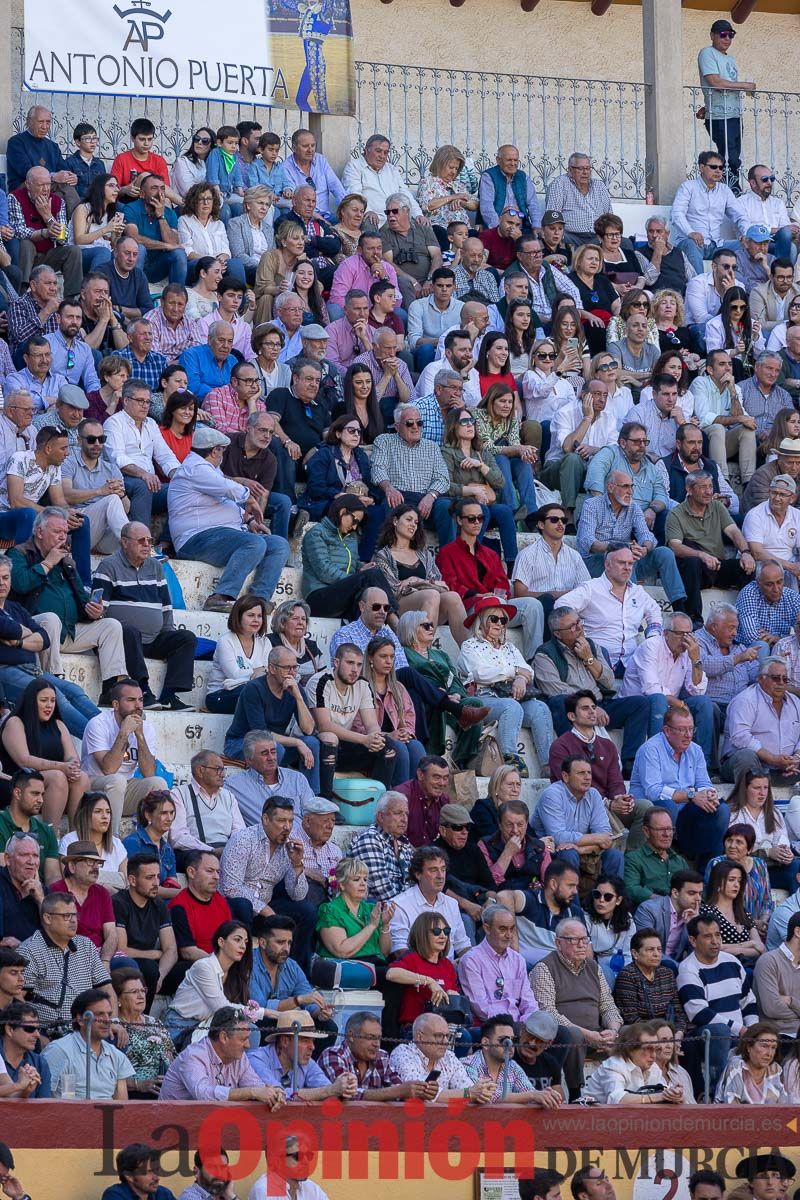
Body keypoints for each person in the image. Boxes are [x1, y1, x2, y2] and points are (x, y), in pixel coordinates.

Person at [169, 425, 289, 614]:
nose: (223, 454)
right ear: (216, 450)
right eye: (222, 450)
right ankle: (221, 597)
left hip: (223, 535)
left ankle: (258, 599)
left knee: (279, 544)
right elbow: (228, 488)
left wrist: (249, 521)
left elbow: (225, 503)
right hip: (195, 539)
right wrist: (249, 498)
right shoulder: (195, 467)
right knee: (254, 544)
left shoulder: (210, 469)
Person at [533, 605, 655, 772]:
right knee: (560, 702)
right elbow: (557, 690)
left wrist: (589, 658)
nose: (579, 628)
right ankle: (575, 762)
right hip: (571, 709)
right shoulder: (544, 654)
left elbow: (609, 682)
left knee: (640, 703)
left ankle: (630, 764)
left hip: (600, 704)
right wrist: (589, 707)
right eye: (572, 627)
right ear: (557, 634)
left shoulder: (591, 645)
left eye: (579, 622)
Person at [92, 521, 196, 711]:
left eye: (150, 540)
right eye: (141, 541)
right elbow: (99, 610)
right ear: (124, 542)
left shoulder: (155, 566)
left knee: (185, 638)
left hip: (153, 639)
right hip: (124, 641)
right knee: (129, 631)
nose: (147, 545)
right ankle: (143, 690)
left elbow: (165, 606)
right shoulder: (109, 566)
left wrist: (167, 632)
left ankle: (169, 695)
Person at [0, 552, 98, 739]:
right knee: (55, 697)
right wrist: (28, 634)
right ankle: (99, 742)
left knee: (74, 691)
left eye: (5, 578)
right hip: (5, 671)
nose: (2, 583)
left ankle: (111, 732)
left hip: (30, 669)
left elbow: (44, 638)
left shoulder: (15, 608)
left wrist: (20, 641)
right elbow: (9, 629)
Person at [456, 594, 554, 776]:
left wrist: (521, 678)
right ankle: (510, 761)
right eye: (494, 619)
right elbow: (480, 673)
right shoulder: (470, 646)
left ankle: (547, 766)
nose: (499, 624)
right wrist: (515, 672)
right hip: (482, 698)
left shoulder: (509, 647)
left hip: (510, 696)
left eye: (503, 620)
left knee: (540, 708)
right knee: (511, 707)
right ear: (481, 620)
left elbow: (528, 671)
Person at [530, 916, 623, 1100]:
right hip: (565, 1038)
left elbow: (607, 1005)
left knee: (633, 1033)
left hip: (598, 1034)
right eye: (574, 940)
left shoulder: (593, 966)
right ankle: (575, 1093)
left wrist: (612, 1031)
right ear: (558, 943)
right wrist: (588, 1035)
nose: (582, 945)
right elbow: (548, 1013)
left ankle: (634, 1090)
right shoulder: (544, 968)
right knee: (573, 1035)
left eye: (584, 939)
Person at [219, 797, 315, 970]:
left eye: (291, 821)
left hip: (265, 911)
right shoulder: (243, 840)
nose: (287, 827)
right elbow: (230, 888)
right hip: (234, 909)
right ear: (265, 819)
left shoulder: (289, 848)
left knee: (306, 911)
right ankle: (242, 970)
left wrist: (297, 864)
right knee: (242, 904)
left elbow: (297, 895)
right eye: (281, 820)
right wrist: (265, 909)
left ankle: (298, 973)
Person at [549, 690, 650, 848]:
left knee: (645, 808)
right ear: (571, 716)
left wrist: (619, 798)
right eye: (584, 708)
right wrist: (607, 803)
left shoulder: (607, 745)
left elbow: (615, 780)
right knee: (601, 812)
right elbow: (569, 785)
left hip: (608, 804)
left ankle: (631, 860)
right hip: (578, 806)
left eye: (593, 707)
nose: (591, 711)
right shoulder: (560, 746)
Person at [577, 472, 688, 613]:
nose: (630, 491)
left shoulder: (633, 507)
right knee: (626, 557)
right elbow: (588, 542)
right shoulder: (592, 505)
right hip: (595, 562)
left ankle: (679, 608)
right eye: (625, 487)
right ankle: (632, 612)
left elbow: (646, 535)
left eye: (631, 487)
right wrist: (620, 548)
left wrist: (644, 549)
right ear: (610, 487)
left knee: (664, 553)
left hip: (623, 561)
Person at [630, 709, 730, 864]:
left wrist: (708, 795)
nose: (689, 735)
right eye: (682, 730)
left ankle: (707, 869)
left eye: (691, 729)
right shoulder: (650, 749)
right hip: (655, 808)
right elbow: (653, 791)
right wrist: (691, 796)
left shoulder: (695, 750)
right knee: (668, 807)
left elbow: (704, 783)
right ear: (667, 731)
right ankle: (683, 855)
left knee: (721, 810)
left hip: (686, 809)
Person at [677, 913, 759, 1095]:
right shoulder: (688, 969)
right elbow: (698, 1013)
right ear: (692, 940)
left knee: (768, 1034)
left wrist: (754, 1028)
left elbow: (748, 1001)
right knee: (720, 1031)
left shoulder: (732, 962)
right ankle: (716, 1092)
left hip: (741, 1033)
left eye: (717, 935)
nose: (715, 941)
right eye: (707, 936)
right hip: (708, 1035)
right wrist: (740, 1030)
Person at [617, 614, 716, 762]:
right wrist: (680, 705)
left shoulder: (688, 652)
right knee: (658, 700)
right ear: (665, 633)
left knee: (705, 703)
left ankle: (703, 764)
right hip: (640, 706)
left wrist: (695, 659)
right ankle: (658, 761)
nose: (685, 639)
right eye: (680, 634)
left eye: (688, 634)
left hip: (669, 705)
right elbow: (651, 689)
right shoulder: (651, 646)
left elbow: (697, 690)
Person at [223, 645, 323, 792]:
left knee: (311, 742)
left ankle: (311, 798)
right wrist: (296, 742)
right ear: (271, 668)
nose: (292, 673)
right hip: (240, 743)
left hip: (275, 744)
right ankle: (275, 793)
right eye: (287, 668)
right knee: (275, 748)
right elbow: (261, 734)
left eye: (295, 667)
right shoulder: (254, 688)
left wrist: (298, 697)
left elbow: (308, 729)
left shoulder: (295, 689)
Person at [306, 641, 399, 793]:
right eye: (350, 663)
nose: (355, 670)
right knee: (330, 738)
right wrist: (364, 739)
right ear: (336, 662)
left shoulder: (362, 684)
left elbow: (371, 724)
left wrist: (375, 737)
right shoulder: (321, 681)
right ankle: (326, 803)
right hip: (316, 745)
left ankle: (378, 801)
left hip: (345, 743)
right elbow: (324, 725)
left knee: (387, 746)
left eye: (359, 664)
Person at [559, 544, 663, 676]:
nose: (627, 568)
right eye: (621, 563)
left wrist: (653, 638)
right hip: (598, 661)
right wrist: (578, 632)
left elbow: (655, 612)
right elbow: (561, 605)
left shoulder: (638, 592)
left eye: (630, 563)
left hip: (631, 663)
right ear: (607, 565)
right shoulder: (591, 588)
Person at [666, 472, 756, 625]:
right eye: (703, 487)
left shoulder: (716, 507)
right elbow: (675, 546)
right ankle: (694, 619)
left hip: (716, 565)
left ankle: (747, 619)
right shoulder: (676, 514)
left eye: (710, 487)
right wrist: (701, 555)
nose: (709, 492)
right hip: (694, 572)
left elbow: (733, 531)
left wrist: (746, 553)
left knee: (746, 567)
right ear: (689, 489)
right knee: (691, 562)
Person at [0, 677, 89, 828]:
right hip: (17, 779)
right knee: (58, 777)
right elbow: (24, 760)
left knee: (82, 777)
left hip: (50, 779)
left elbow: (71, 755)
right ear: (31, 701)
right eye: (43, 700)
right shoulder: (15, 722)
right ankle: (51, 836)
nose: (49, 705)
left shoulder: (59, 724)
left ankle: (76, 837)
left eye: (53, 700)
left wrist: (72, 766)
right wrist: (61, 766)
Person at [18, 891, 116, 1027]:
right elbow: (17, 998)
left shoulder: (86, 945)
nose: (73, 920)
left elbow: (106, 988)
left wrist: (115, 1022)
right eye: (66, 916)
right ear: (47, 918)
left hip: (87, 1029)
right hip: (48, 1031)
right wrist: (35, 1033)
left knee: (118, 1041)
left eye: (75, 915)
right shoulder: (29, 950)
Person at [78, 678, 161, 833]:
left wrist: (140, 736)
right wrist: (123, 733)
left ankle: (154, 842)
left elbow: (149, 772)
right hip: (94, 787)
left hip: (124, 789)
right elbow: (108, 769)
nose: (138, 706)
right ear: (115, 705)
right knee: (117, 780)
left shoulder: (147, 728)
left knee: (158, 783)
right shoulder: (98, 724)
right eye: (131, 700)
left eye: (140, 700)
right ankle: (112, 839)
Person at [159, 1005, 285, 1104]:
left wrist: (272, 1093)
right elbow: (203, 1094)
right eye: (243, 1039)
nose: (248, 1045)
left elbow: (255, 1085)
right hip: (170, 1129)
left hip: (204, 1126)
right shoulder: (193, 1056)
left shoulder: (239, 1057)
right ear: (224, 1037)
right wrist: (251, 1092)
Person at [534, 755, 625, 879]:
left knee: (615, 855)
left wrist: (580, 848)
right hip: (549, 852)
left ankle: (611, 897)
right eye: (581, 773)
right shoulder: (552, 795)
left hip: (582, 850)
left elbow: (606, 836)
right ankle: (570, 898)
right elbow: (558, 837)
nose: (587, 777)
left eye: (589, 773)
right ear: (565, 777)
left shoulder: (593, 794)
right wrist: (595, 839)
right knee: (568, 853)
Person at [111, 853, 180, 1006]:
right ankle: (142, 1024)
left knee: (189, 969)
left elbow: (171, 949)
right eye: (149, 878)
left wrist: (160, 976)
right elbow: (121, 950)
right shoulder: (119, 903)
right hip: (124, 965)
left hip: (153, 970)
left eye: (157, 876)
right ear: (132, 880)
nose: (156, 883)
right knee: (149, 969)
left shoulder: (159, 905)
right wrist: (154, 954)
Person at [42, 987, 133, 1099]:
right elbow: (66, 1101)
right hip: (73, 1114)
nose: (106, 1020)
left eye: (109, 1014)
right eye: (99, 1014)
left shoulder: (116, 1056)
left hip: (108, 1115)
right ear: (80, 1019)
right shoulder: (62, 1051)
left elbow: (122, 1104)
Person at [721, 656, 800, 782]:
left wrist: (796, 758)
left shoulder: (795, 702)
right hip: (750, 764)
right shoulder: (745, 700)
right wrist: (772, 758)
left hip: (786, 768)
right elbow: (740, 737)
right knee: (746, 757)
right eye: (776, 678)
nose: (781, 683)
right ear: (761, 679)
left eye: (785, 679)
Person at [697, 19, 754, 192]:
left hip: (733, 114)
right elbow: (715, 82)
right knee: (729, 156)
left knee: (734, 156)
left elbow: (725, 84)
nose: (727, 38)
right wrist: (744, 85)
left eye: (731, 35)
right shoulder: (707, 53)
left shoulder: (730, 58)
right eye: (723, 34)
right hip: (720, 116)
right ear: (712, 35)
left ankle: (730, 187)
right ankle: (731, 189)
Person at [457, 902, 538, 1022]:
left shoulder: (518, 960)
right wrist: (514, 1023)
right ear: (487, 928)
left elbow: (528, 1000)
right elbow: (481, 1008)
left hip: (520, 1024)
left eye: (512, 929)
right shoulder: (471, 960)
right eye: (503, 929)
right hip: (492, 1026)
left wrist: (532, 1021)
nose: (509, 935)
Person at [8, 167, 83, 296]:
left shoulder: (58, 202)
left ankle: (72, 298)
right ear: (28, 184)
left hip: (48, 255)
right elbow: (18, 231)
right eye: (41, 185)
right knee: (26, 243)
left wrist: (48, 217)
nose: (46, 189)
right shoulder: (15, 198)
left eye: (48, 184)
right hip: (25, 256)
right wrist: (44, 233)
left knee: (74, 251)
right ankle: (22, 293)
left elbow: (63, 238)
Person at [315, 856, 393, 981]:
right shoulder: (330, 910)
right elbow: (341, 951)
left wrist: (385, 925)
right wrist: (371, 926)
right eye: (356, 879)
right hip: (348, 967)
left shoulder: (370, 909)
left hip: (377, 965)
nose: (363, 883)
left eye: (365, 879)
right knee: (394, 978)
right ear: (342, 885)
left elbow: (384, 952)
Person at [60, 417, 129, 553]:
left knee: (132, 526)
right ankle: (135, 544)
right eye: (91, 440)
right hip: (77, 529)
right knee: (111, 500)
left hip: (103, 537)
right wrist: (100, 491)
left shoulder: (112, 469)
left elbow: (125, 509)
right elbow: (66, 495)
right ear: (80, 441)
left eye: (101, 439)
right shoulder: (68, 463)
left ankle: (138, 545)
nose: (97, 444)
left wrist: (122, 495)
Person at [225, 731, 315, 828]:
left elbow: (312, 814)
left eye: (273, 752)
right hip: (263, 842)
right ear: (249, 760)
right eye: (264, 753)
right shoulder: (234, 785)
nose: (271, 758)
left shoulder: (297, 779)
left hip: (300, 840)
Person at [122, 173, 187, 286]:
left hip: (157, 266)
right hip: (133, 261)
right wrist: (165, 246)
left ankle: (177, 294)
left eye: (162, 188)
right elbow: (134, 239)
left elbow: (173, 243)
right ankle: (132, 291)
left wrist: (161, 216)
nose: (159, 193)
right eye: (154, 188)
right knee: (139, 249)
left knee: (179, 253)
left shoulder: (169, 213)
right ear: (142, 194)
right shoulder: (131, 208)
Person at [614, 929, 686, 1028]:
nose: (656, 954)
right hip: (641, 1034)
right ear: (635, 954)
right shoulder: (627, 976)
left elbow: (678, 1012)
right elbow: (630, 1018)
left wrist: (679, 1032)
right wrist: (660, 1033)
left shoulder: (667, 974)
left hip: (669, 1033)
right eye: (650, 949)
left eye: (659, 949)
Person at [701, 859, 764, 966]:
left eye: (739, 881)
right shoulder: (707, 912)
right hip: (721, 966)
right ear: (718, 882)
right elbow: (715, 948)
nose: (736, 885)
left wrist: (732, 948)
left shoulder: (743, 912)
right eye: (731, 880)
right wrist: (750, 944)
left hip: (749, 965)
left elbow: (761, 948)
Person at [58, 790, 127, 887]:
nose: (105, 816)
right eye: (98, 811)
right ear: (84, 815)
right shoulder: (70, 841)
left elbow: (126, 884)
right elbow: (70, 881)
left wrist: (93, 879)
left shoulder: (117, 844)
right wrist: (114, 880)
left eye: (108, 812)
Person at [543, 154, 612, 247]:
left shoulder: (599, 186)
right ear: (570, 170)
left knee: (625, 243)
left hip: (597, 236)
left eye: (588, 168)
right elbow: (552, 217)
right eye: (581, 168)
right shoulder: (560, 184)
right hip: (571, 236)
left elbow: (609, 217)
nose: (585, 172)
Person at [624, 809, 689, 907]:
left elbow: (690, 888)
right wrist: (665, 902)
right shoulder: (633, 859)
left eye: (670, 829)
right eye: (661, 829)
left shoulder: (680, 861)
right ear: (646, 831)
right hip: (649, 914)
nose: (667, 834)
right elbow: (631, 889)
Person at [753, 911, 800, 1036]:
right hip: (777, 1036)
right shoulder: (768, 961)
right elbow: (772, 1008)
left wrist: (790, 1001)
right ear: (798, 932)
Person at [736, 559, 800, 648]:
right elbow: (751, 636)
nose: (776, 589)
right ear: (758, 582)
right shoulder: (749, 593)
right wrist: (786, 639)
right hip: (750, 652)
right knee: (761, 646)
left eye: (779, 582)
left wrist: (778, 638)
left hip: (781, 648)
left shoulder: (791, 596)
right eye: (769, 584)